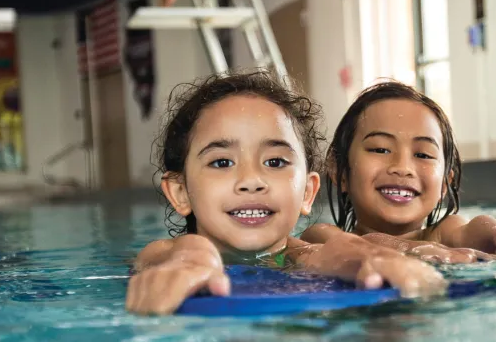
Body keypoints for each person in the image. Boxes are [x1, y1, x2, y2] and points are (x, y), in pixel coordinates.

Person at [125, 70, 447, 315]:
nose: (251, 180)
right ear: (180, 191)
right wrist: (195, 255)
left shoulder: (303, 254)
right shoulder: (167, 254)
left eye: (275, 161)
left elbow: (336, 253)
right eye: (222, 162)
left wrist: (372, 259)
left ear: (307, 192)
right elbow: (168, 257)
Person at [302, 81, 496, 263]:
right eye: (380, 149)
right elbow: (353, 246)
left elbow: (477, 227)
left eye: (423, 155)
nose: (402, 168)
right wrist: (410, 249)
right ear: (339, 172)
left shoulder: (445, 234)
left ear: (444, 183)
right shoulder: (321, 236)